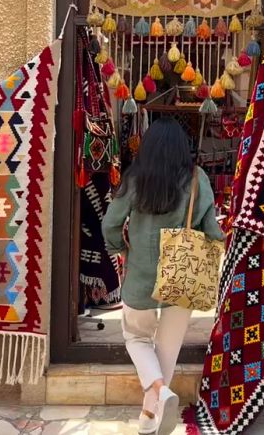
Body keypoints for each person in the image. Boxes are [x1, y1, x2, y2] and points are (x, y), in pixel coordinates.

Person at [102, 117, 224, 435]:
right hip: (183, 276)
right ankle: (155, 404)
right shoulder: (197, 179)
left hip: (141, 277)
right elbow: (212, 230)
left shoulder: (135, 179)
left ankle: (152, 406)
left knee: (136, 338)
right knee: (166, 350)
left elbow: (110, 224)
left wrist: (121, 248)